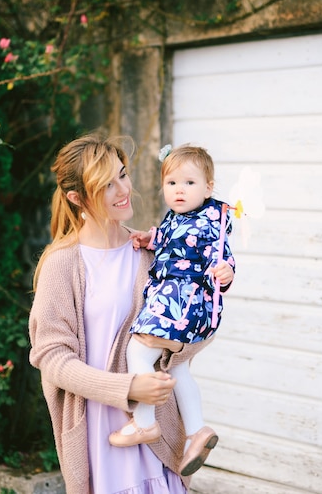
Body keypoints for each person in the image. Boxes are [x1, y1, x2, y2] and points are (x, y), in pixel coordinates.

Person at [28, 133, 217, 494]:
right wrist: (128, 388)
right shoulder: (62, 263)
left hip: (157, 432)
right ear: (77, 197)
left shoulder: (150, 251)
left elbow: (196, 324)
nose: (122, 189)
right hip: (102, 434)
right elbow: (50, 356)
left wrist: (170, 351)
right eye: (106, 185)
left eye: (123, 174)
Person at [108, 143, 235, 477]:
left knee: (137, 351)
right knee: (178, 371)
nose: (179, 190)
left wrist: (226, 272)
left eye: (190, 183)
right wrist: (147, 238)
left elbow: (220, 256)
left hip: (180, 301)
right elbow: (166, 239)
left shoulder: (209, 223)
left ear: (208, 188)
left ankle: (145, 422)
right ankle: (197, 431)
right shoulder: (178, 218)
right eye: (172, 183)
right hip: (178, 303)